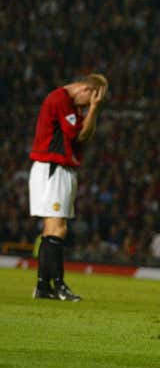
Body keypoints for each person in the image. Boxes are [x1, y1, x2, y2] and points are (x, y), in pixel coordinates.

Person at [30, 74, 108, 301]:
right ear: (86, 89)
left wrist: (91, 110)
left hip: (53, 169)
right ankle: (59, 285)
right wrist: (93, 109)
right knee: (59, 228)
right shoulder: (61, 99)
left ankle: (43, 287)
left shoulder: (69, 104)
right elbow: (80, 135)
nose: (85, 107)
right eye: (89, 100)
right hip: (54, 168)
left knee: (51, 230)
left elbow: (86, 135)